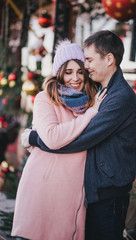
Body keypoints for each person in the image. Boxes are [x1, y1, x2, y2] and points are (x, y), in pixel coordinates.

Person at [21, 30, 136, 240]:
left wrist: (35, 139)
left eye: (89, 60)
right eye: (69, 71)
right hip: (90, 190)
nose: (86, 67)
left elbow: (82, 140)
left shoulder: (117, 97)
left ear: (109, 59)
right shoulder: (97, 93)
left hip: (107, 191)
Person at [11, 40, 106, 240]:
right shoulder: (46, 98)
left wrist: (33, 138)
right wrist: (89, 115)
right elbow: (53, 138)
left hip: (74, 188)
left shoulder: (93, 99)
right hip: (45, 185)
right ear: (59, 72)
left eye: (80, 71)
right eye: (69, 71)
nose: (76, 78)